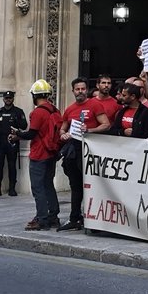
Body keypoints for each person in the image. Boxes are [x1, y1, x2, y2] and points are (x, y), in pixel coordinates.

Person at [57, 77, 110, 230]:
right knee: (75, 185)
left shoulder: (95, 104)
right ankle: (75, 218)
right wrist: (63, 134)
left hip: (90, 149)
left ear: (87, 90)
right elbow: (62, 128)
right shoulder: (70, 109)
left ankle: (94, 219)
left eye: (83, 89)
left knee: (92, 185)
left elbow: (106, 125)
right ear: (73, 91)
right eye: (77, 89)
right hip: (73, 151)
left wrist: (89, 130)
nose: (80, 91)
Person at [16, 80, 62, 231]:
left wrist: (17, 134)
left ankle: (42, 219)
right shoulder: (55, 110)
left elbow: (31, 134)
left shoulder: (37, 112)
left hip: (39, 154)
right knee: (48, 185)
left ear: (34, 95)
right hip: (52, 153)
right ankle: (53, 216)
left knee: (38, 187)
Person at [0, 91, 26, 198]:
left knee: (11, 165)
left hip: (11, 142)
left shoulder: (18, 112)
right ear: (3, 99)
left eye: (10, 98)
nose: (8, 99)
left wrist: (16, 121)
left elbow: (24, 125)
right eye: (6, 98)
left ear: (13, 99)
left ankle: (12, 188)